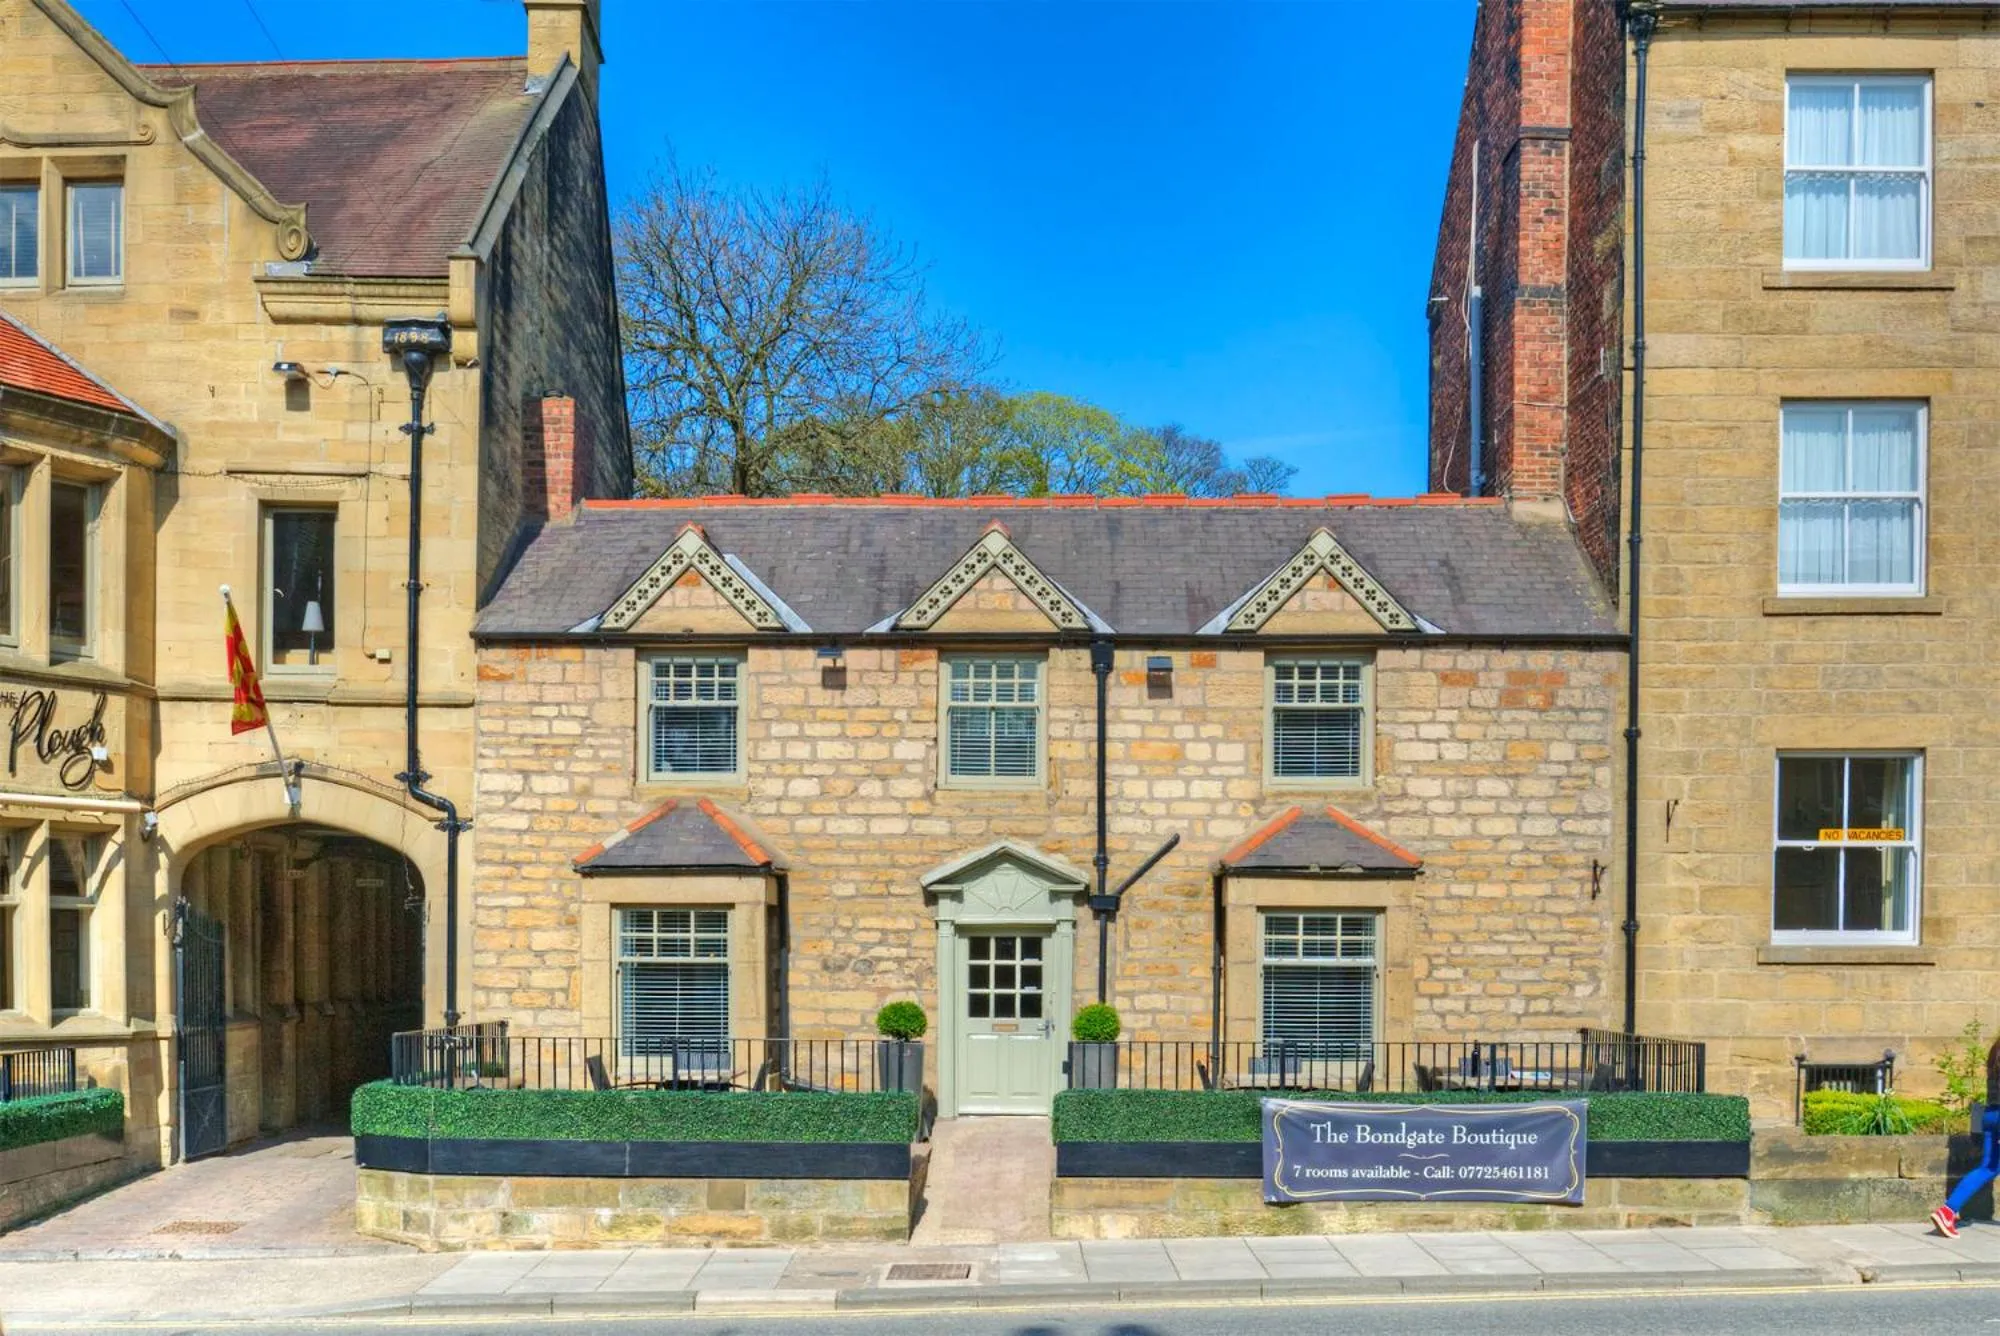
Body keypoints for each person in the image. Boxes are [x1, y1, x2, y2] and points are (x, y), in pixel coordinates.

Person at [1931, 1037, 2000, 1237]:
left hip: (1990, 1114)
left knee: (1988, 1168)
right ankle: (1948, 1210)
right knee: (1990, 1168)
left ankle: (1947, 1211)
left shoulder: (1996, 1049)